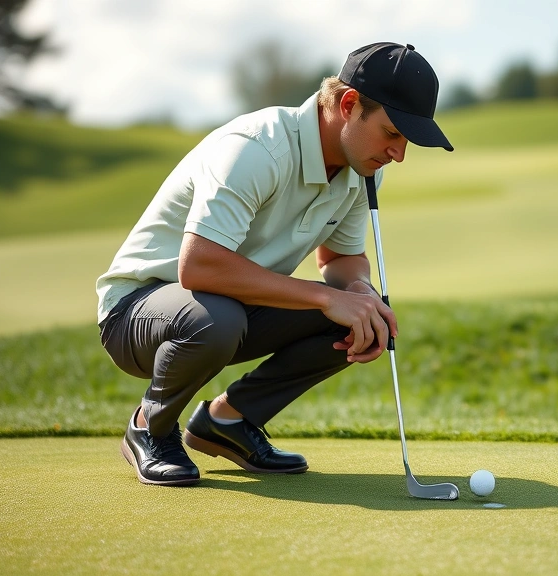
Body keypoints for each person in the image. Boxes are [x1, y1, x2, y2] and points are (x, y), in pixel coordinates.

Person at [96, 42, 453, 486]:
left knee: (357, 318)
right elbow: (199, 267)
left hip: (229, 305)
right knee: (219, 319)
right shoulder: (256, 149)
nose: (398, 154)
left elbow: (340, 257)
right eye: (392, 133)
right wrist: (326, 296)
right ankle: (150, 426)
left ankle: (228, 421)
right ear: (348, 105)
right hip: (137, 310)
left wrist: (358, 291)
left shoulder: (361, 169)